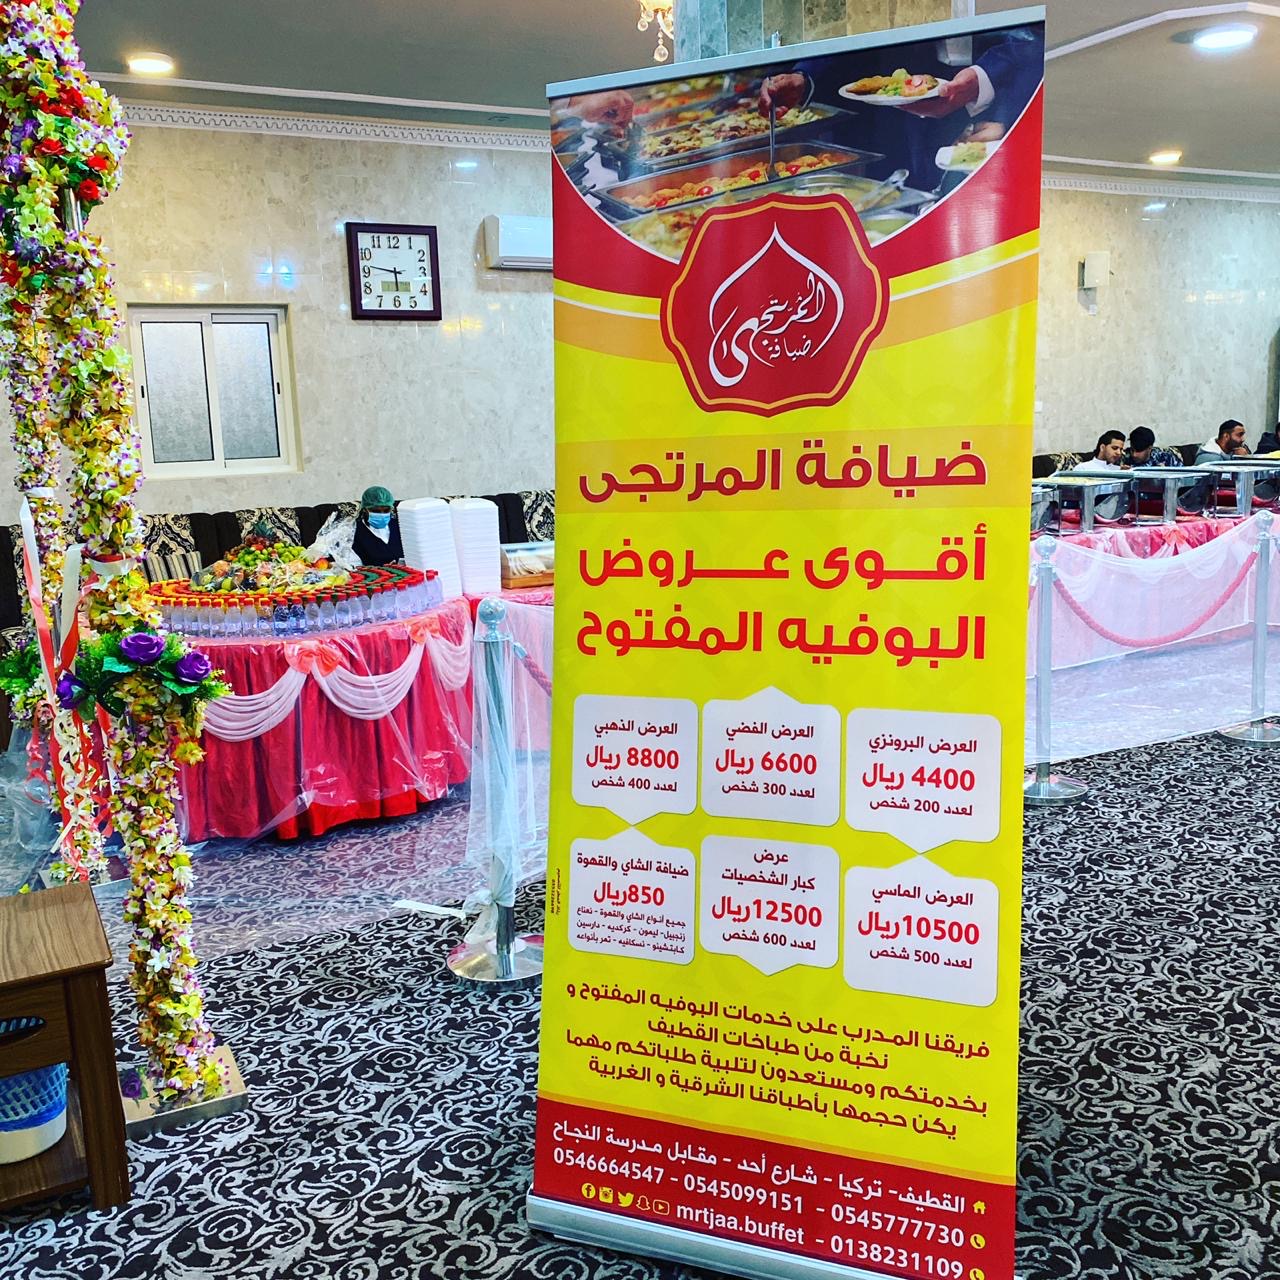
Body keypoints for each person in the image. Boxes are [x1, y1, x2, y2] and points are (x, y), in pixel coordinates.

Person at [1071, 430, 1128, 520]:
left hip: (1117, 517)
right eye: (1114, 448)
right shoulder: (1083, 469)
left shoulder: (1120, 471)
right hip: (1088, 517)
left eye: (1121, 449)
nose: (1119, 453)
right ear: (1102, 447)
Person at [352, 484, 404, 567]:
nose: (382, 514)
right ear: (365, 509)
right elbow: (354, 564)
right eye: (375, 510)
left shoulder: (400, 526)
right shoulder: (355, 532)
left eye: (386, 510)